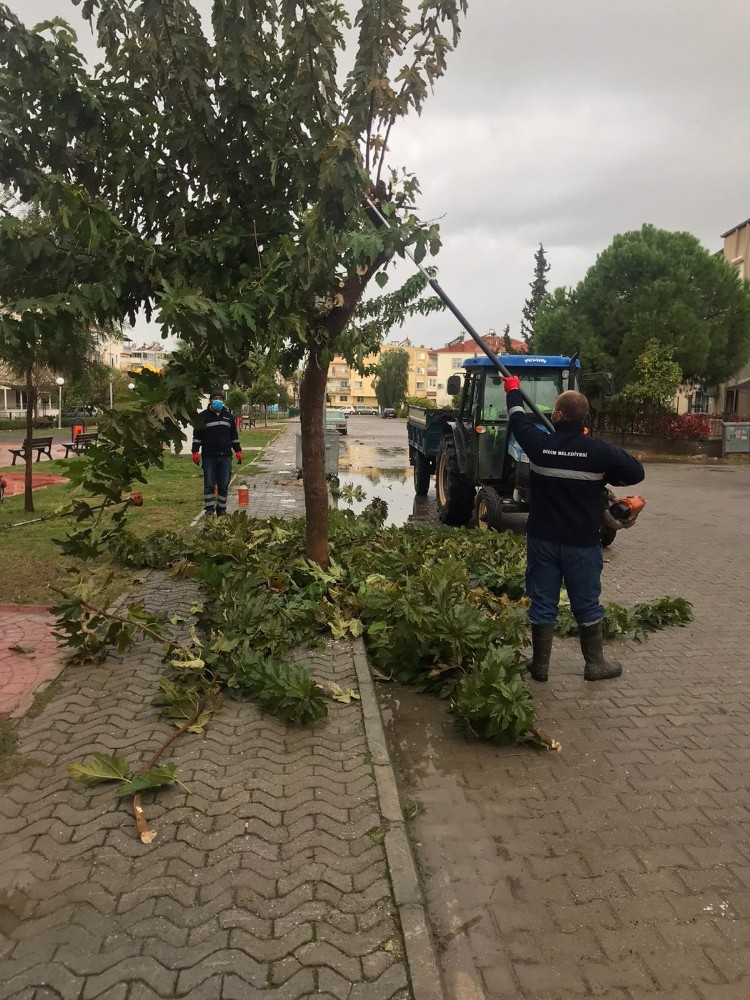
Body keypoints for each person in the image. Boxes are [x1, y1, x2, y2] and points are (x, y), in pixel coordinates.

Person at [502, 378, 645, 682]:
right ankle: (594, 665)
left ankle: (540, 666)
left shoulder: (540, 446)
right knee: (585, 601)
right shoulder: (598, 450)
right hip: (581, 543)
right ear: (584, 420)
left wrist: (512, 389)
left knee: (543, 600)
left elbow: (516, 419)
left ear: (556, 416)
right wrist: (605, 473)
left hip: (543, 539)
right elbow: (636, 471)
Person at [191, 391, 243, 517]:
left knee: (224, 483)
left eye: (220, 398)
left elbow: (234, 436)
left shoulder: (229, 417)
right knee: (209, 483)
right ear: (211, 400)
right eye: (215, 398)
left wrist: (238, 450)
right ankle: (209, 509)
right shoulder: (202, 417)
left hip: (225, 455)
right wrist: (195, 451)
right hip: (209, 456)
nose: (218, 400)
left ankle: (221, 509)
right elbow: (197, 436)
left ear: (223, 400)